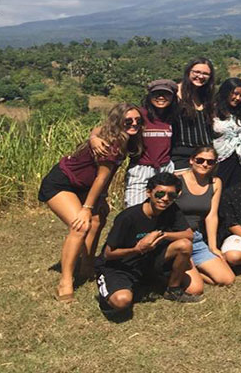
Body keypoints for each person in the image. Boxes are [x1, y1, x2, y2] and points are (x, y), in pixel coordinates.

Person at [38, 103, 143, 302]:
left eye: (138, 120)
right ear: (117, 121)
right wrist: (86, 208)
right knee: (80, 225)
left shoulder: (122, 138)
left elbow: (97, 134)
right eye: (128, 120)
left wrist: (101, 199)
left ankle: (87, 266)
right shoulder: (110, 144)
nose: (134, 124)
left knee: (98, 220)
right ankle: (65, 282)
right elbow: (101, 178)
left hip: (84, 186)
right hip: (62, 182)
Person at [95, 173, 203, 318]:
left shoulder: (172, 209)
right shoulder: (128, 217)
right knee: (122, 301)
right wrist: (137, 249)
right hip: (121, 266)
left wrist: (161, 234)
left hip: (149, 260)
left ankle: (173, 289)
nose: (165, 199)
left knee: (185, 246)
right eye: (160, 193)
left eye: (171, 196)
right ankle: (110, 291)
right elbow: (108, 254)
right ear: (149, 192)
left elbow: (189, 235)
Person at [90, 79, 176, 208]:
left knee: (162, 209)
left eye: (166, 94)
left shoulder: (172, 117)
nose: (161, 97)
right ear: (149, 96)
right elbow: (107, 127)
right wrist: (93, 138)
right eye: (156, 94)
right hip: (141, 168)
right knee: (134, 208)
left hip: (165, 167)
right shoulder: (140, 115)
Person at [175, 146, 236, 287]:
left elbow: (211, 215)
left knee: (227, 279)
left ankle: (190, 269)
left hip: (195, 238)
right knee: (195, 288)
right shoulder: (177, 181)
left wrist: (213, 246)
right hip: (177, 238)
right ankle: (173, 269)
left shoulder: (215, 183)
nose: (204, 164)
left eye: (210, 162)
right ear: (191, 160)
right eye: (200, 160)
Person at [171, 58, 215, 171]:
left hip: (205, 157)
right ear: (188, 72)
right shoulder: (174, 94)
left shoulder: (206, 97)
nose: (200, 76)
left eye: (205, 74)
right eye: (197, 72)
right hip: (181, 156)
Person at [212, 78, 241, 188]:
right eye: (235, 94)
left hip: (238, 159)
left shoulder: (240, 113)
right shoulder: (212, 111)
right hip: (219, 159)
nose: (238, 98)